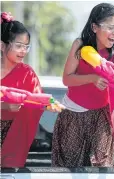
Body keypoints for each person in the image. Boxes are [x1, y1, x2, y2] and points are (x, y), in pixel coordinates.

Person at [51, 3, 114, 167]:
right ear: (94, 27)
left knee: (102, 167)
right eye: (111, 27)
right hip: (73, 113)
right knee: (69, 169)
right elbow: (67, 79)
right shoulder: (80, 45)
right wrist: (92, 78)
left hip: (101, 117)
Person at [0, 12, 63, 167]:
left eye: (26, 47)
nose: (23, 51)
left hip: (13, 137)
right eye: (18, 46)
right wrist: (3, 106)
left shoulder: (27, 74)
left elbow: (36, 99)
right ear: (2, 45)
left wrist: (48, 104)